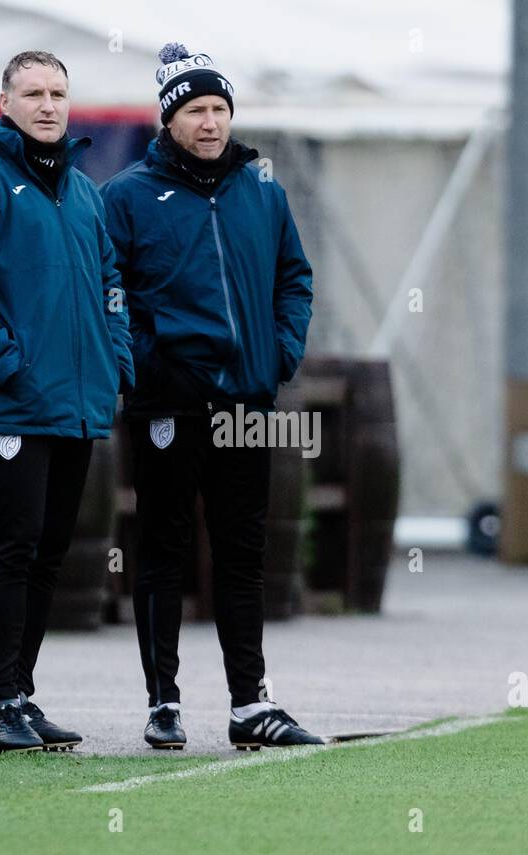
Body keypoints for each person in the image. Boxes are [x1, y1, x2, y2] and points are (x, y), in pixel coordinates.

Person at [102, 44, 320, 751]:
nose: (210, 121)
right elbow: (112, 296)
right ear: (168, 120)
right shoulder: (127, 196)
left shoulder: (263, 191)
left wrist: (280, 352)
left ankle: (249, 702)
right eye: (195, 109)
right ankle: (163, 702)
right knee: (163, 550)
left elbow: (295, 279)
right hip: (169, 404)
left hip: (248, 403)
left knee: (242, 553)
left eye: (220, 108)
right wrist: (150, 366)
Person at [0, 51, 134, 754]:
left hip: (77, 405)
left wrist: (116, 361)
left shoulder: (82, 192)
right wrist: (8, 365)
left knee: (49, 552)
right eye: (34, 93)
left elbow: (111, 283)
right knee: (9, 550)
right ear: (5, 101)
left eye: (59, 93)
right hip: (10, 404)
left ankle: (24, 693)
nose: (48, 105)